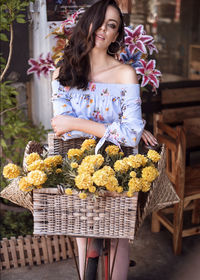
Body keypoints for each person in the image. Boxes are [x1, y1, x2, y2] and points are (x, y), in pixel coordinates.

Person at [51, 1, 158, 279]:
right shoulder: (62, 73)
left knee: (118, 237)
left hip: (119, 167)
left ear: (116, 35)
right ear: (86, 23)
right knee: (82, 235)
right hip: (75, 165)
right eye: (99, 21)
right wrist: (116, 127)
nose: (103, 29)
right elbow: (62, 130)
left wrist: (76, 122)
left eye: (111, 25)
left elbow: (130, 134)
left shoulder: (125, 74)